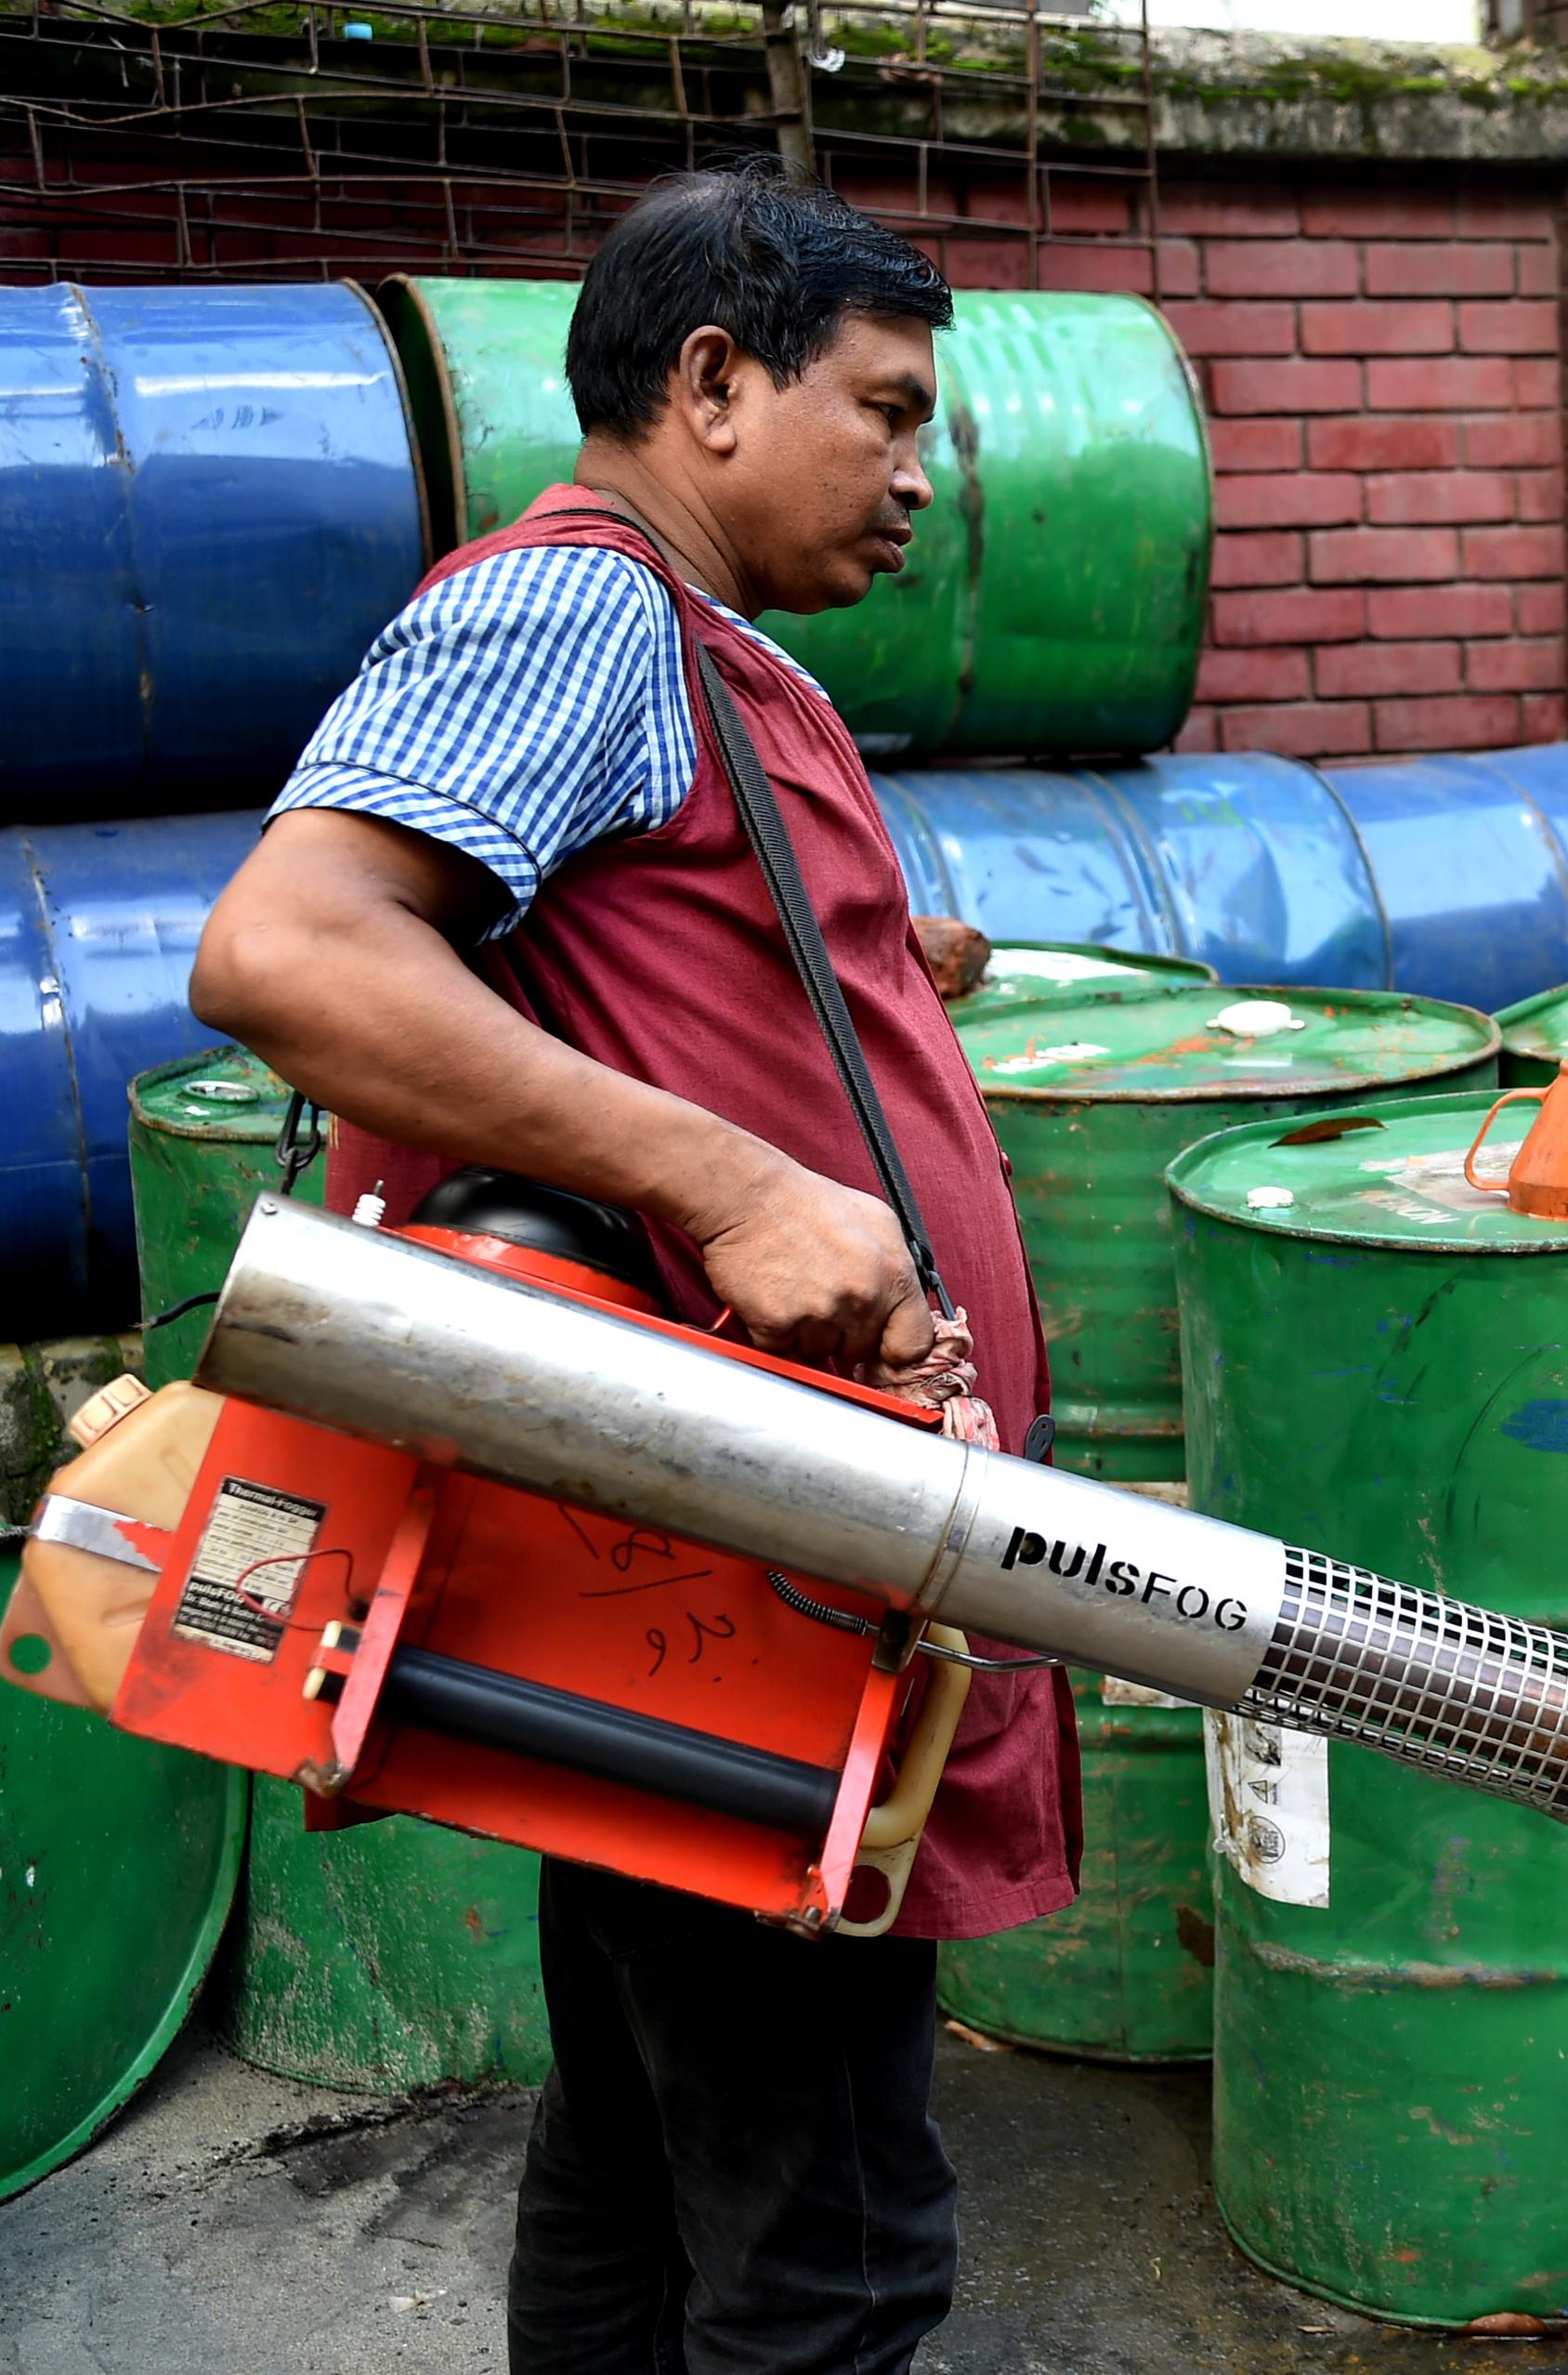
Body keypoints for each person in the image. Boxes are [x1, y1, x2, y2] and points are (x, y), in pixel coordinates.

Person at [189, 158, 1077, 2372]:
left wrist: (854, 968)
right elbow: (288, 949)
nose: (917, 473)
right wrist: (744, 1185)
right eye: (881, 410)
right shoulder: (579, 607)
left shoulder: (685, 650)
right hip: (743, 1590)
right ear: (708, 381)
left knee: (641, 2156)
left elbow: (587, 947)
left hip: (693, 1587)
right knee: (833, 2254)